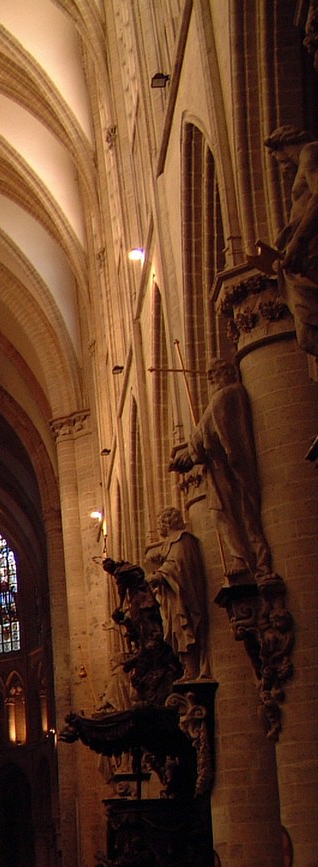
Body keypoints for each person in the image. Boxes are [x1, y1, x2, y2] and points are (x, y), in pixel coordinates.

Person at [169, 362, 274, 583]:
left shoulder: (226, 395)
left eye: (213, 374)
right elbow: (204, 430)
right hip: (218, 469)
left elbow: (212, 431)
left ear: (226, 373)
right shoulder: (219, 398)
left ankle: (246, 558)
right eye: (209, 376)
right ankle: (243, 557)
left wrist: (191, 452)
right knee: (222, 514)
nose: (210, 380)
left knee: (234, 512)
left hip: (228, 469)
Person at [264, 126, 318, 360]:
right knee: (307, 337)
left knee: (308, 334)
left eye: (280, 160)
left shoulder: (310, 152)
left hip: (309, 246)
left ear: (285, 146)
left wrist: (298, 240)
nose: (282, 168)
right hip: (303, 254)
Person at [144, 507, 210, 681]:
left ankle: (193, 670)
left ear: (168, 522)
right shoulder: (171, 543)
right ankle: (189, 669)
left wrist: (159, 575)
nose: (159, 528)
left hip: (183, 597)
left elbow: (179, 565)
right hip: (173, 597)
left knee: (184, 630)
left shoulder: (183, 539)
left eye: (160, 523)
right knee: (177, 633)